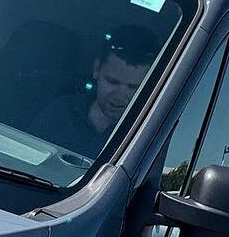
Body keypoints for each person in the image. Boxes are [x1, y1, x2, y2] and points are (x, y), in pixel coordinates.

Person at [29, 26, 156, 158]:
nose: (120, 95)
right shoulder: (61, 110)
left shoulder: (145, 135)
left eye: (133, 87)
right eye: (112, 82)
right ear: (97, 69)